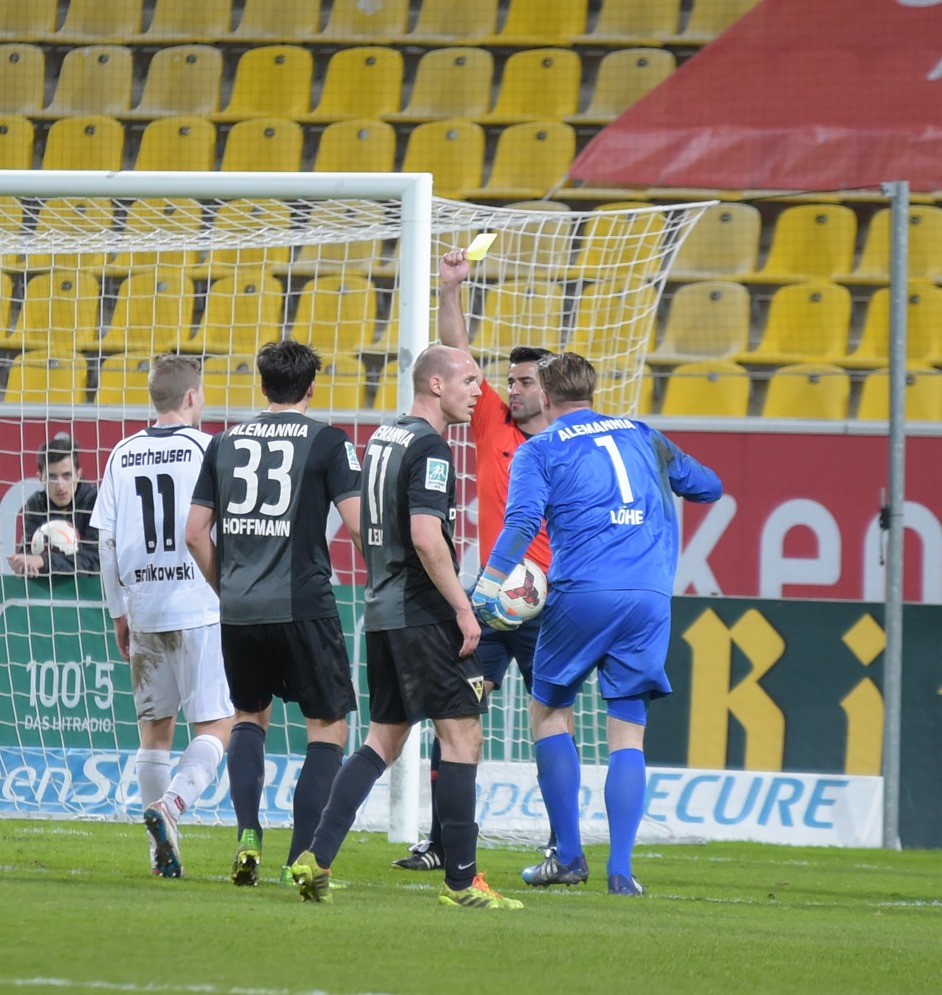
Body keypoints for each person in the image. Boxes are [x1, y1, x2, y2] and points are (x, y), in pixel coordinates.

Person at [473, 352, 722, 896]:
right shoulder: (645, 436)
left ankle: (567, 856)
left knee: (549, 712)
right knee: (628, 728)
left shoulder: (539, 449)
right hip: (649, 596)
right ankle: (622, 872)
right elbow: (709, 487)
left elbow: (522, 521)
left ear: (547, 397)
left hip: (583, 591)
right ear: (591, 391)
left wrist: (488, 583)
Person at [289, 344, 522, 910]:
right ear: (436, 385)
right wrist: (462, 609)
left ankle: (315, 858)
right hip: (424, 614)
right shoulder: (432, 448)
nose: (479, 392)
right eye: (470, 380)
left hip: (383, 611)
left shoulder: (383, 438)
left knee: (383, 739)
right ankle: (462, 882)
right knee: (463, 736)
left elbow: (367, 527)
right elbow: (425, 536)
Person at [392, 248, 557, 872]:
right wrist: (451, 290)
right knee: (455, 713)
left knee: (553, 723)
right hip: (487, 604)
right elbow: (455, 355)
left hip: (548, 609)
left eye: (523, 382)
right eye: (508, 381)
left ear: (551, 390)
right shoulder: (493, 426)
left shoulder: (571, 446)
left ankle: (561, 843)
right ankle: (443, 842)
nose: (510, 390)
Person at [185, 339, 363, 887]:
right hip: (304, 605)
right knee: (328, 730)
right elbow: (359, 526)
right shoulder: (329, 442)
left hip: (239, 610)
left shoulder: (224, 442)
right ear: (312, 388)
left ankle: (248, 836)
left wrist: (228, 588)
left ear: (262, 386)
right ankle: (298, 860)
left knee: (248, 717)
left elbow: (194, 533)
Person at [90, 355, 234, 878]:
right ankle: (171, 805)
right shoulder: (210, 448)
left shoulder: (121, 453)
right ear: (192, 397)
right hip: (200, 603)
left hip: (144, 607)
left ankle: (159, 854)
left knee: (155, 732)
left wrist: (118, 613)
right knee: (219, 723)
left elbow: (107, 542)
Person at [7, 432, 100, 577]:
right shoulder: (35, 506)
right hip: (48, 590)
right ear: (40, 478)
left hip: (90, 589)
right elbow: (29, 552)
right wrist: (22, 563)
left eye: (67, 476)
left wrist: (44, 561)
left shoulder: (95, 502)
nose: (60, 486)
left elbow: (94, 559)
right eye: (52, 477)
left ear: (78, 475)